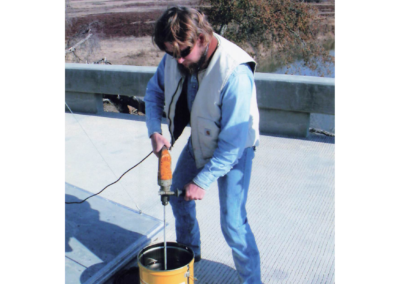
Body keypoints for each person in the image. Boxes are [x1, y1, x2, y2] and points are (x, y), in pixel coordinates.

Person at [144, 6, 262, 284]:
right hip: (202, 139)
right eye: (172, 54)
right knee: (176, 193)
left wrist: (202, 181)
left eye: (183, 52)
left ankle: (252, 281)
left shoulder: (235, 73)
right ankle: (189, 255)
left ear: (201, 37)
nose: (179, 61)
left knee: (233, 224)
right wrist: (154, 131)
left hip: (236, 149)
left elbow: (231, 147)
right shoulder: (175, 56)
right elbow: (153, 92)